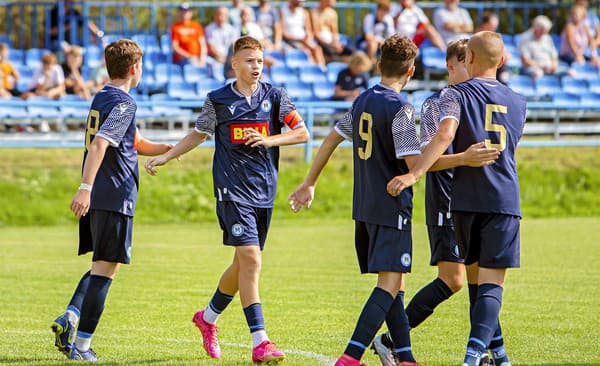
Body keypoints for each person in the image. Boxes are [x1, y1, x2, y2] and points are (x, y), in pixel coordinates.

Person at [144, 36, 309, 364]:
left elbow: (302, 132)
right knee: (251, 260)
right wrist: (168, 155)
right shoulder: (218, 99)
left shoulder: (275, 97)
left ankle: (206, 319)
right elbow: (199, 133)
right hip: (231, 191)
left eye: (260, 61)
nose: (256, 66)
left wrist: (269, 139)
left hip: (264, 191)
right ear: (234, 64)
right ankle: (260, 341)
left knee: (242, 265)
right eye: (249, 60)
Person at [384, 31, 526, 366]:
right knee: (463, 279)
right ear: (454, 65)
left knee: (473, 278)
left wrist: (453, 161)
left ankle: (496, 355)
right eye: (459, 60)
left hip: (468, 195)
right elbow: (431, 155)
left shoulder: (461, 97)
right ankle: (396, 341)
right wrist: (453, 161)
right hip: (455, 196)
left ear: (473, 60)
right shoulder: (443, 101)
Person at [289, 34, 422, 366]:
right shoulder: (400, 108)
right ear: (412, 71)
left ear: (378, 65)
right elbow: (414, 165)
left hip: (364, 205)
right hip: (392, 205)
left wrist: (309, 182)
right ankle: (351, 355)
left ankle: (405, 357)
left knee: (395, 282)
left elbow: (331, 139)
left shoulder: (362, 100)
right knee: (389, 282)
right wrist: (461, 157)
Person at [50, 39, 173, 361]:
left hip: (104, 194)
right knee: (107, 269)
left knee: (101, 264)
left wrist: (170, 150)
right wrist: (85, 187)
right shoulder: (125, 103)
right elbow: (100, 145)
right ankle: (82, 346)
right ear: (135, 68)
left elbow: (132, 142)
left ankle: (71, 317)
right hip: (113, 194)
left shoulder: (103, 96)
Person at [280, 0, 326, 67]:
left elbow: (308, 30)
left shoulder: (304, 12)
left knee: (317, 49)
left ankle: (322, 70)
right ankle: (314, 70)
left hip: (304, 40)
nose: (301, 2)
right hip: (290, 41)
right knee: (307, 52)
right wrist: (300, 40)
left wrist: (307, 38)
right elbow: (283, 33)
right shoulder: (282, 11)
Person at [170, 2, 208, 67]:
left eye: (186, 11)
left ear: (191, 13)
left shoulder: (196, 26)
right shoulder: (175, 27)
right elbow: (175, 47)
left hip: (198, 57)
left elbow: (203, 44)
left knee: (213, 66)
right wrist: (189, 56)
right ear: (178, 13)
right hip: (183, 59)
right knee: (193, 63)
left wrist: (202, 59)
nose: (184, 14)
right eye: (181, 11)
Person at [361, 0, 396, 65]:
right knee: (372, 44)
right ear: (377, 9)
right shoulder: (369, 18)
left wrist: (383, 42)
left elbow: (391, 36)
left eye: (385, 11)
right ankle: (371, 65)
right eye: (381, 10)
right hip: (368, 43)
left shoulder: (388, 19)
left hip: (383, 43)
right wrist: (379, 40)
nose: (383, 13)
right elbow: (368, 36)